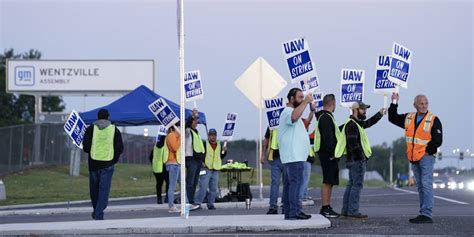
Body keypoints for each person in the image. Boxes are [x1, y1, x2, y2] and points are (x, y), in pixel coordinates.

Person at [388, 93, 442, 224]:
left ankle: (426, 214)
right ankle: (423, 213)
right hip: (413, 158)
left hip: (426, 157)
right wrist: (394, 102)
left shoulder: (433, 119)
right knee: (421, 187)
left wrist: (427, 151)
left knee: (426, 185)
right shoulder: (409, 117)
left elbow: (438, 140)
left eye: (426, 103)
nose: (424, 106)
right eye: (421, 103)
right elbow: (393, 118)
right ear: (415, 105)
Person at [335, 102, 385, 219]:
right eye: (363, 109)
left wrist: (379, 114)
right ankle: (353, 211)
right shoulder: (352, 125)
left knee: (351, 185)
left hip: (353, 160)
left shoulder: (356, 123)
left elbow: (368, 123)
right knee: (356, 186)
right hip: (356, 160)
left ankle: (346, 210)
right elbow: (352, 143)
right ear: (355, 110)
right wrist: (360, 157)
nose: (365, 111)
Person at [277, 88, 313, 220]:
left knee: (290, 184)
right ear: (291, 98)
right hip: (294, 156)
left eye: (303, 97)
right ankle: (294, 211)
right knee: (295, 184)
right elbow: (294, 117)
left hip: (293, 156)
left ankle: (289, 211)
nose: (302, 99)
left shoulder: (291, 112)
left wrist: (311, 109)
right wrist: (306, 102)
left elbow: (301, 120)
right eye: (300, 97)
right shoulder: (288, 112)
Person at [82, 109, 123, 220]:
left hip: (93, 164)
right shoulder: (114, 129)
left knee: (94, 191)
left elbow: (85, 147)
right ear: (108, 117)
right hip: (108, 164)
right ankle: (98, 213)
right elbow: (120, 148)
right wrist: (114, 160)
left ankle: (97, 211)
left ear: (98, 117)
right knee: (104, 190)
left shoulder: (90, 129)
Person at [313, 94, 341, 218]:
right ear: (332, 103)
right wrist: (332, 153)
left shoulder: (325, 116)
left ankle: (327, 206)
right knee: (327, 181)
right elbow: (328, 137)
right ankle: (325, 208)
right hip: (328, 154)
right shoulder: (325, 117)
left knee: (330, 181)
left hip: (329, 154)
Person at [193, 128, 227, 210]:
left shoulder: (219, 145)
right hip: (206, 168)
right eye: (211, 135)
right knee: (203, 187)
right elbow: (200, 154)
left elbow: (221, 156)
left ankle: (210, 203)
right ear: (208, 136)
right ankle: (197, 203)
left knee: (213, 188)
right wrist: (202, 162)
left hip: (215, 169)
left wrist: (224, 151)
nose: (213, 137)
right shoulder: (204, 144)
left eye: (214, 135)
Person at [185, 108, 205, 207]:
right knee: (190, 181)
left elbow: (199, 146)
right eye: (195, 120)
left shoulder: (196, 132)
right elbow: (186, 125)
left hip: (198, 160)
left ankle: (191, 200)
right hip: (191, 159)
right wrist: (192, 116)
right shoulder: (188, 132)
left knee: (195, 182)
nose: (197, 122)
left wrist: (202, 159)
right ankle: (188, 200)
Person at [260, 126, 284, 215]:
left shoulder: (272, 121)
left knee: (279, 183)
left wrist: (263, 155)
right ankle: (275, 206)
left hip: (284, 156)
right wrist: (263, 155)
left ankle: (277, 207)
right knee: (277, 183)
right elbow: (266, 139)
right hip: (277, 157)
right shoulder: (272, 123)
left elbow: (266, 140)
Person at [164, 123, 182, 213]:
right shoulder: (171, 135)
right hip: (172, 163)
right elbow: (175, 147)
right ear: (176, 127)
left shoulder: (177, 136)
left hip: (178, 162)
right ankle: (171, 206)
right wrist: (180, 138)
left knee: (183, 184)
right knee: (172, 185)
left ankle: (185, 203)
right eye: (180, 127)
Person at [148, 131, 169, 204]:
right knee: (168, 183)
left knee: (159, 184)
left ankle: (159, 199)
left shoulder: (155, 147)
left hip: (157, 168)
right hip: (165, 167)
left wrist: (153, 163)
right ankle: (167, 197)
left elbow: (150, 157)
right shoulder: (165, 147)